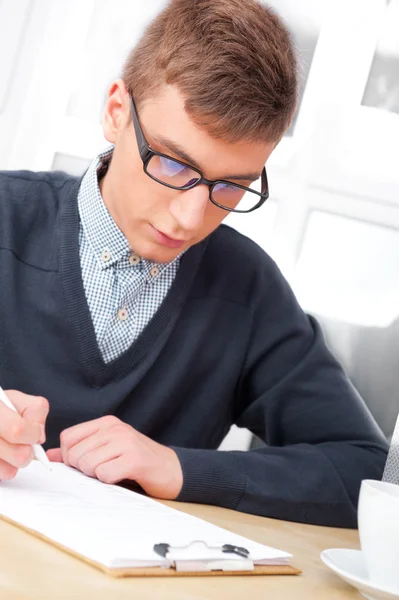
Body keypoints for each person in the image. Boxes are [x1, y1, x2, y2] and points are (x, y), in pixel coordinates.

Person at [0, 0, 388, 528]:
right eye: (172, 163)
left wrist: (178, 468)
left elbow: (364, 470)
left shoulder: (248, 290)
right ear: (117, 112)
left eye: (232, 186)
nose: (190, 217)